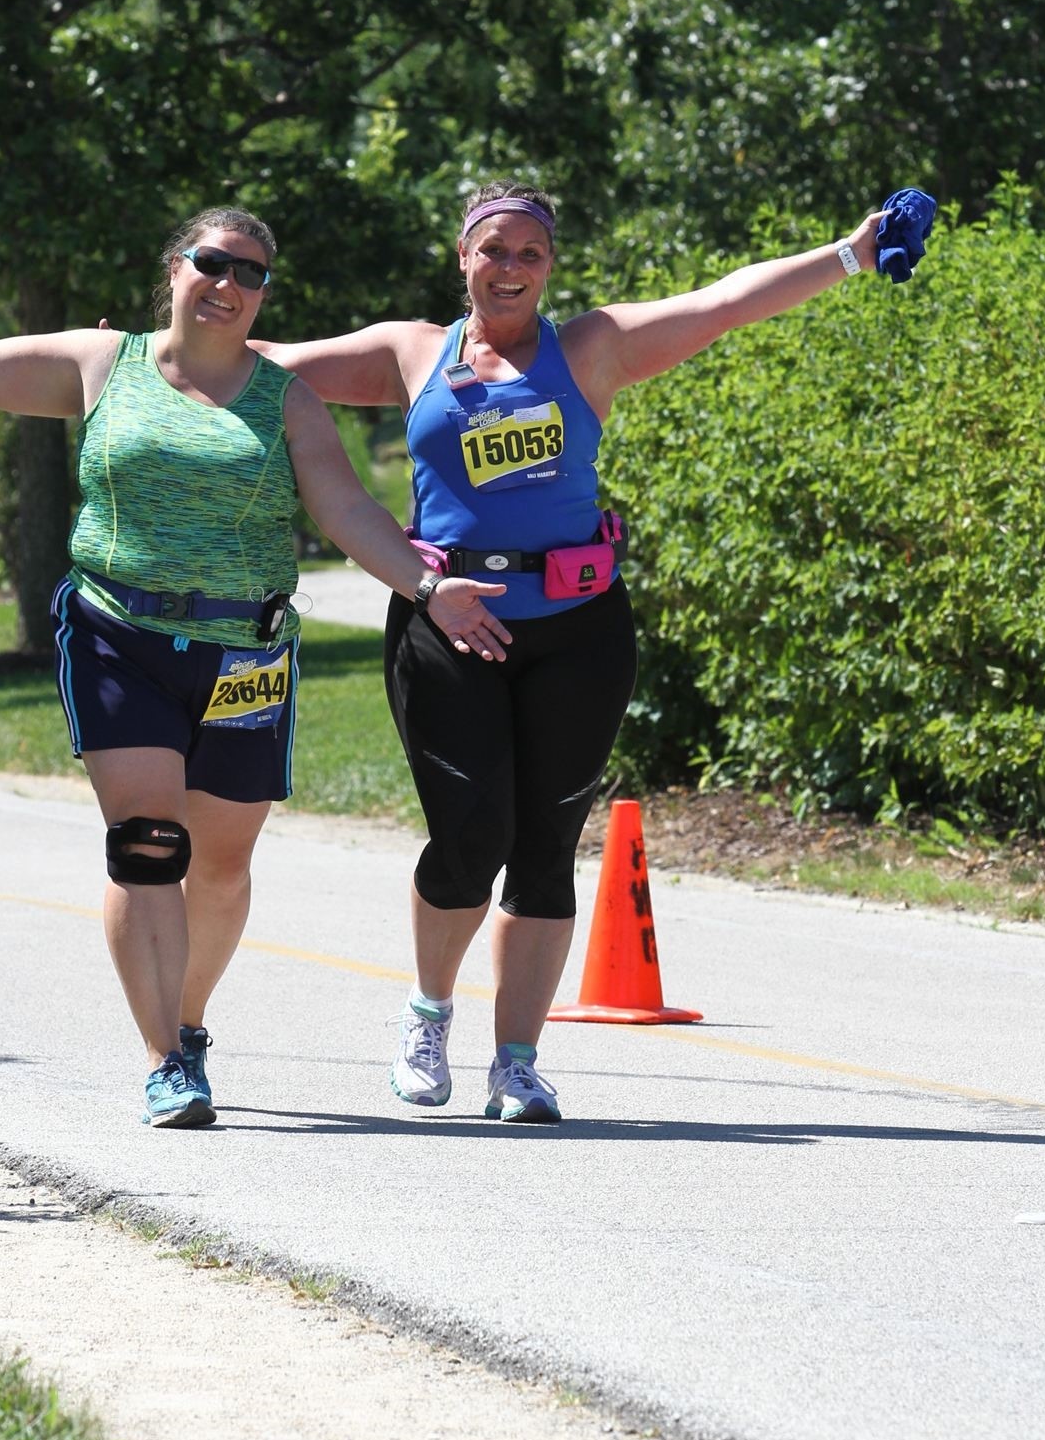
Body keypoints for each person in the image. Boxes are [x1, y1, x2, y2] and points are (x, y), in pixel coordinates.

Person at [0, 206, 510, 1128]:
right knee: (149, 844)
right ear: (176, 269)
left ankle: (187, 1022)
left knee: (221, 867)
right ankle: (164, 1062)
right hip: (119, 633)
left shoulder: (285, 401)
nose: (229, 284)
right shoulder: (105, 364)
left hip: (245, 651)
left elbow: (348, 510)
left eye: (252, 273)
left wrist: (430, 590)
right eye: (213, 263)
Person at [256, 182, 884, 1124]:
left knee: (545, 850)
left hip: (578, 628)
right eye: (492, 250)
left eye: (529, 255)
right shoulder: (409, 351)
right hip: (450, 618)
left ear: (549, 266)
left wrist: (849, 254)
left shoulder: (590, 346)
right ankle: (427, 1015)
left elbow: (724, 301)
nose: (508, 268)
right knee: (471, 838)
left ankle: (516, 1062)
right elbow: (263, 364)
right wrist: (145, 355)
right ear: (461, 255)